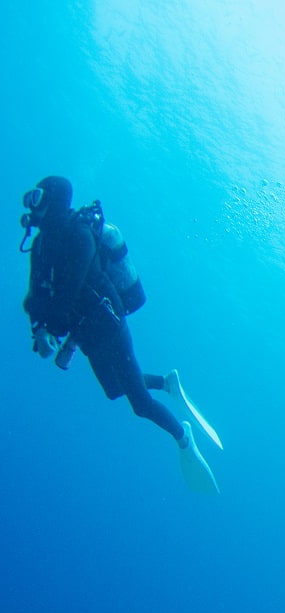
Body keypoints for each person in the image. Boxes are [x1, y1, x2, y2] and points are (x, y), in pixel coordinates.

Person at [19, 175, 219, 493]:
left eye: (37, 197)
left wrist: (55, 331)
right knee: (114, 390)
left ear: (53, 200)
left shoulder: (78, 236)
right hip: (85, 333)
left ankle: (184, 439)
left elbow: (68, 292)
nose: (31, 206)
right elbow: (38, 294)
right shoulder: (41, 246)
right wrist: (40, 329)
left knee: (139, 404)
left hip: (109, 326)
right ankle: (165, 383)